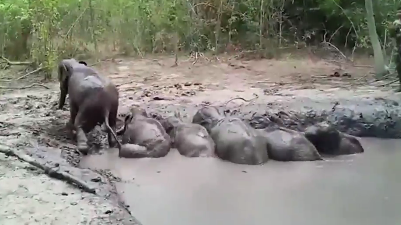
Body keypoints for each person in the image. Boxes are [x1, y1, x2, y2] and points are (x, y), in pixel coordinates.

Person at [389, 8, 401, 91]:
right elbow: (392, 36)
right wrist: (395, 47)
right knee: (399, 67)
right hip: (399, 47)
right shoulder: (396, 24)